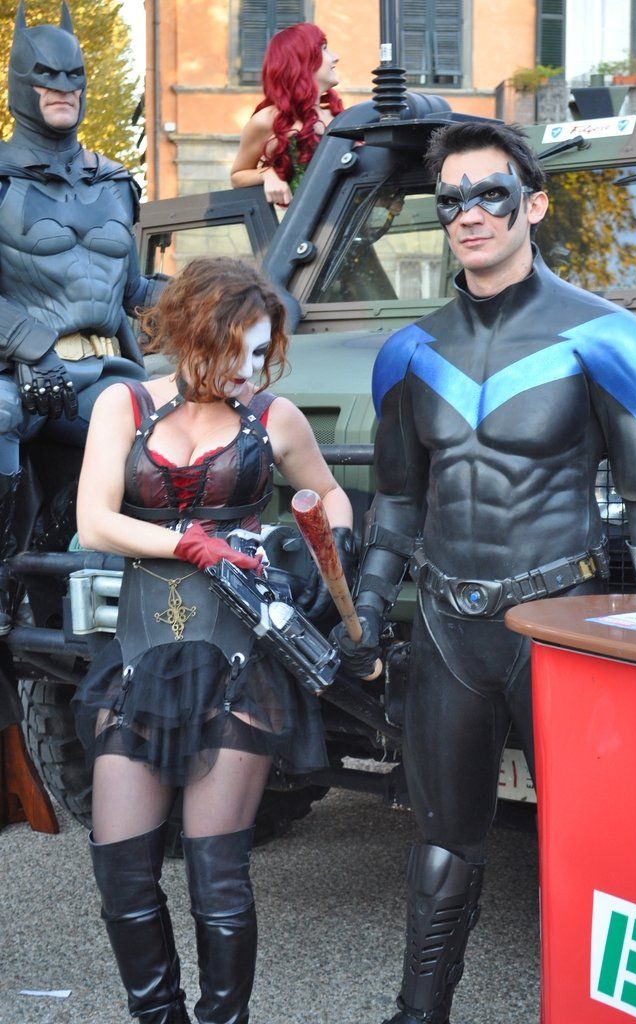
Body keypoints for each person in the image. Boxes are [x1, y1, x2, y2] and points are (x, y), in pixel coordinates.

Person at [331, 120, 636, 1024]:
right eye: (451, 200)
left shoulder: (608, 339)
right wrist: (366, 605)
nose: (469, 215)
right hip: (448, 626)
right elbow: (397, 503)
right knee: (441, 842)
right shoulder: (410, 352)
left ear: (534, 204)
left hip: (562, 624)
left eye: (490, 194)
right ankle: (419, 1013)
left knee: (607, 847)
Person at [72, 257, 354, 1024]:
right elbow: (94, 521)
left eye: (262, 353)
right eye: (237, 351)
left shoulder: (273, 418)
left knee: (218, 878)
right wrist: (189, 544)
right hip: (139, 659)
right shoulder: (125, 404)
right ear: (193, 333)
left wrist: (322, 548)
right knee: (123, 877)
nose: (250, 369)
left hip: (240, 659)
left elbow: (330, 494)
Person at [0, 1, 167, 636]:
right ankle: (3, 577)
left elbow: (133, 290)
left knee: (169, 428)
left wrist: (221, 297)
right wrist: (31, 347)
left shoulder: (115, 182)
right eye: (46, 76)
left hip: (102, 372)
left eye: (74, 77)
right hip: (17, 374)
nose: (62, 89)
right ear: (21, 83)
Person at [230, 22, 342, 207]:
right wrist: (268, 174)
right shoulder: (266, 120)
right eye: (324, 49)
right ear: (302, 61)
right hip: (307, 222)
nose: (336, 57)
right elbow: (237, 176)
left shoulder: (338, 117)